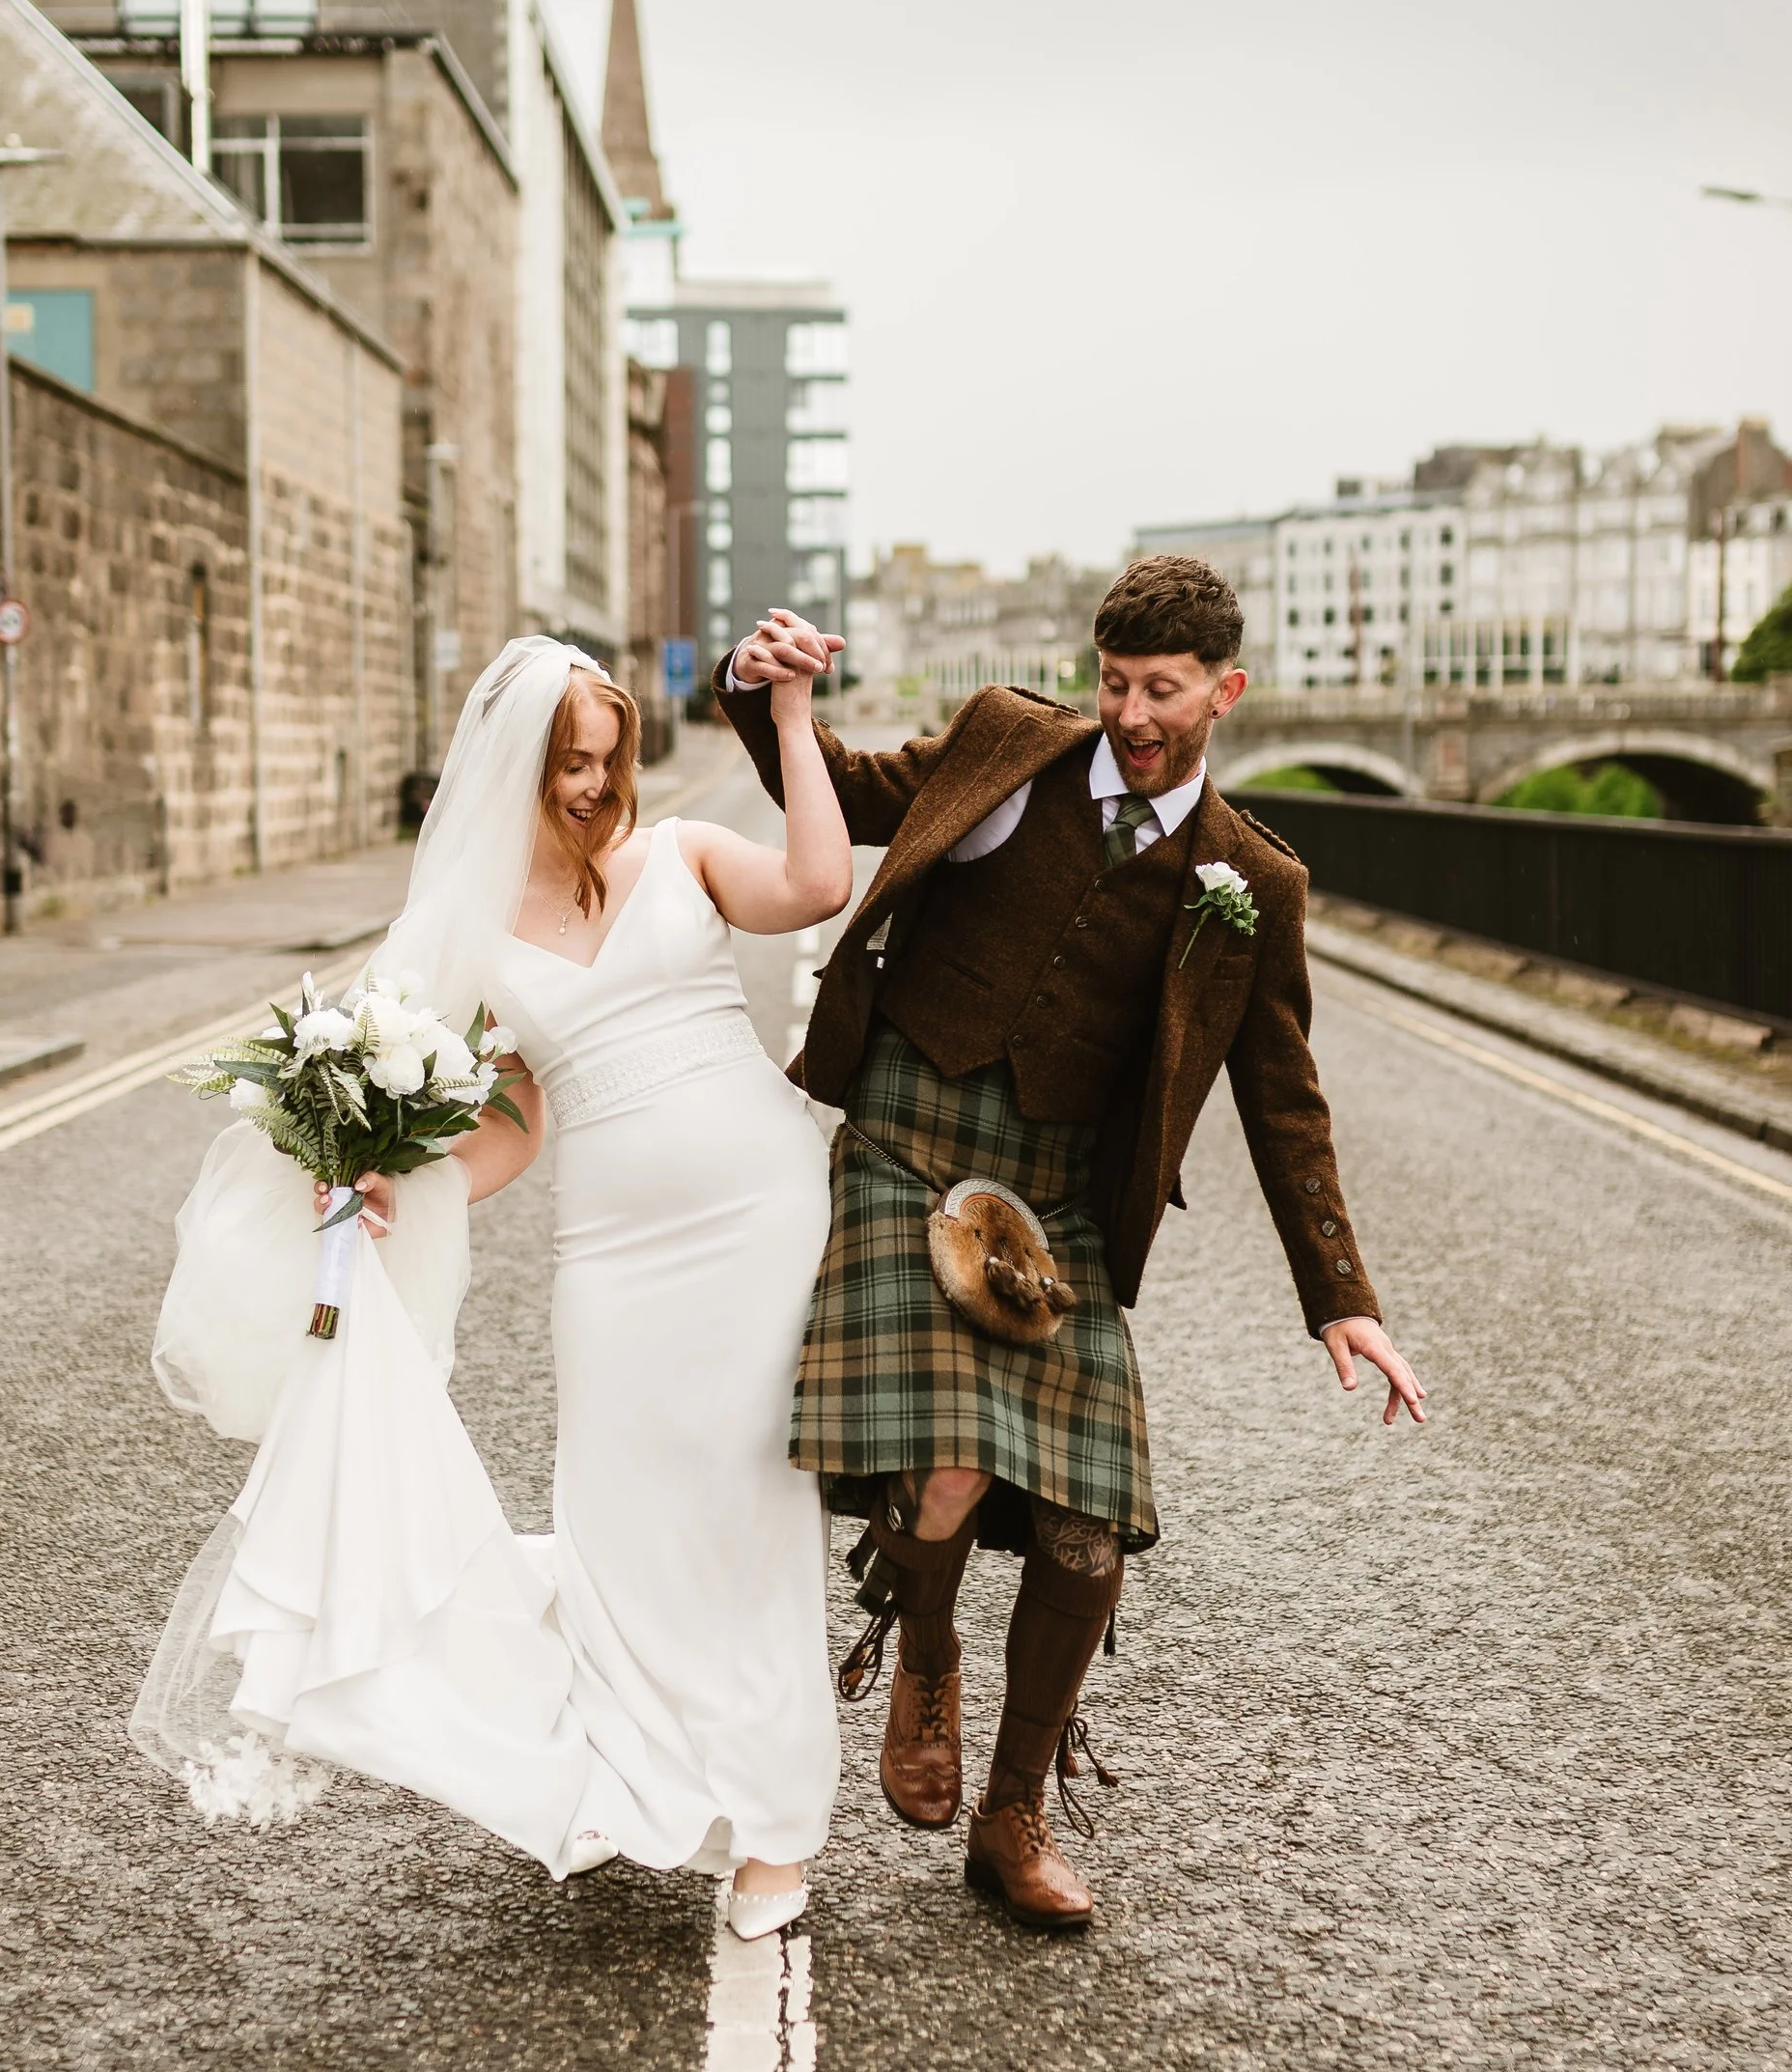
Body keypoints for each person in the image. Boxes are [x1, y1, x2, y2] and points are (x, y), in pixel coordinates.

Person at [719, 552, 1424, 1936]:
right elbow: (849, 791)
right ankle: (923, 1649)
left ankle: (1013, 1812)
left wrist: (1341, 1296)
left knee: (1089, 1531)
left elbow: (1283, 1098)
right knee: (949, 1460)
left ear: (1228, 689)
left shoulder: (1249, 879)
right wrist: (766, 698)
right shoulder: (1005, 741)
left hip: (1062, 1201)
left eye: (1163, 690)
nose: (1132, 713)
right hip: (911, 1128)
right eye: (1115, 682)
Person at [132, 633, 853, 1940]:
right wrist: (401, 1175)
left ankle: (776, 1831)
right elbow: (514, 1126)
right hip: (615, 1253)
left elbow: (817, 880)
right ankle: (644, 1775)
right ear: (511, 767)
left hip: (757, 1209)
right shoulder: (479, 937)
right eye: (565, 760)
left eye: (605, 757)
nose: (589, 783)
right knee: (620, 1513)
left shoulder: (683, 852)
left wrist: (792, 715)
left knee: (749, 1506)